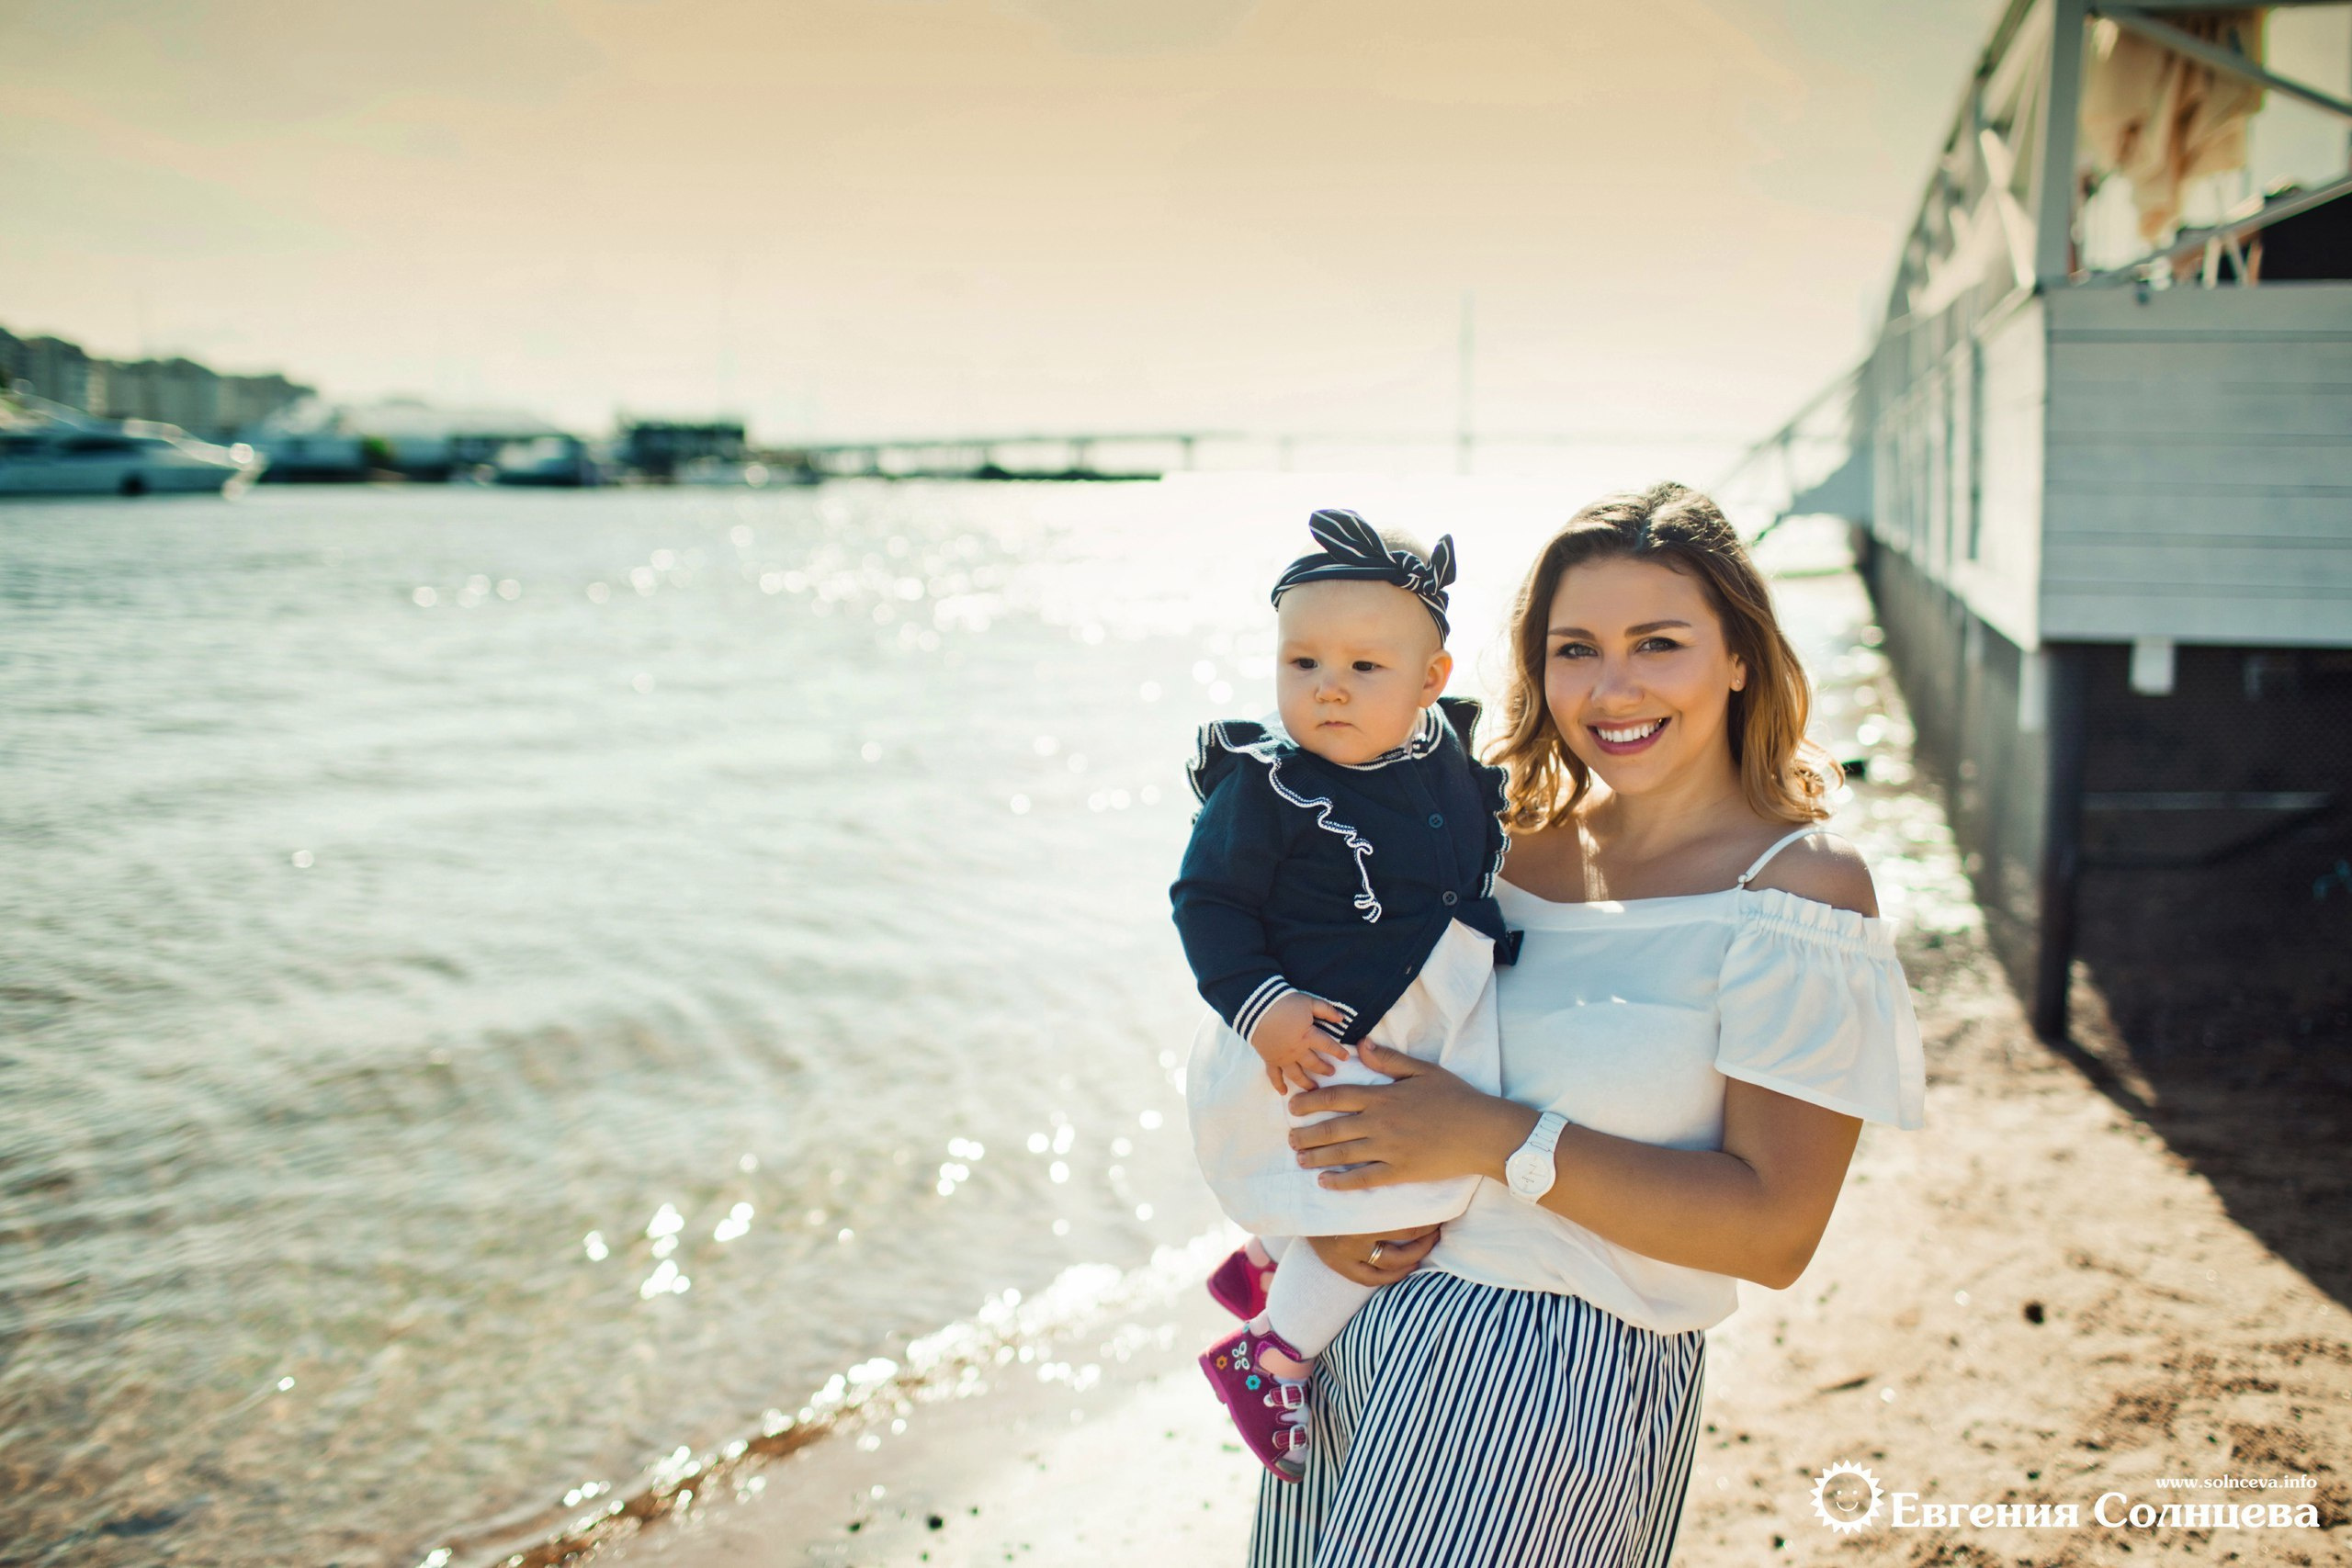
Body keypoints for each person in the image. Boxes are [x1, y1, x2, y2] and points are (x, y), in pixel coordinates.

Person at [1250, 482, 1926, 1567]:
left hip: (1560, 1373)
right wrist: (1311, 1230)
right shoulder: (1484, 849)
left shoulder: (1796, 894)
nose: (1612, 689)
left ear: (1739, 656)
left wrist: (1486, 1138)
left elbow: (1775, 1233)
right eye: (1575, 649)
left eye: (1657, 644)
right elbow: (1340, 1049)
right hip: (1350, 1340)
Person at [1170, 507, 1519, 1481]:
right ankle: (1270, 1354)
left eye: (1365, 668)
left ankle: (1276, 1262)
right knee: (1396, 1208)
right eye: (1302, 664)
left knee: (1394, 1175)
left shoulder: (1447, 757)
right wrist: (1262, 1004)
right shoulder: (1267, 784)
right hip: (1310, 1034)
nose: (1328, 689)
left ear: (1429, 680)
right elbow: (1208, 902)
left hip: (1412, 1020)